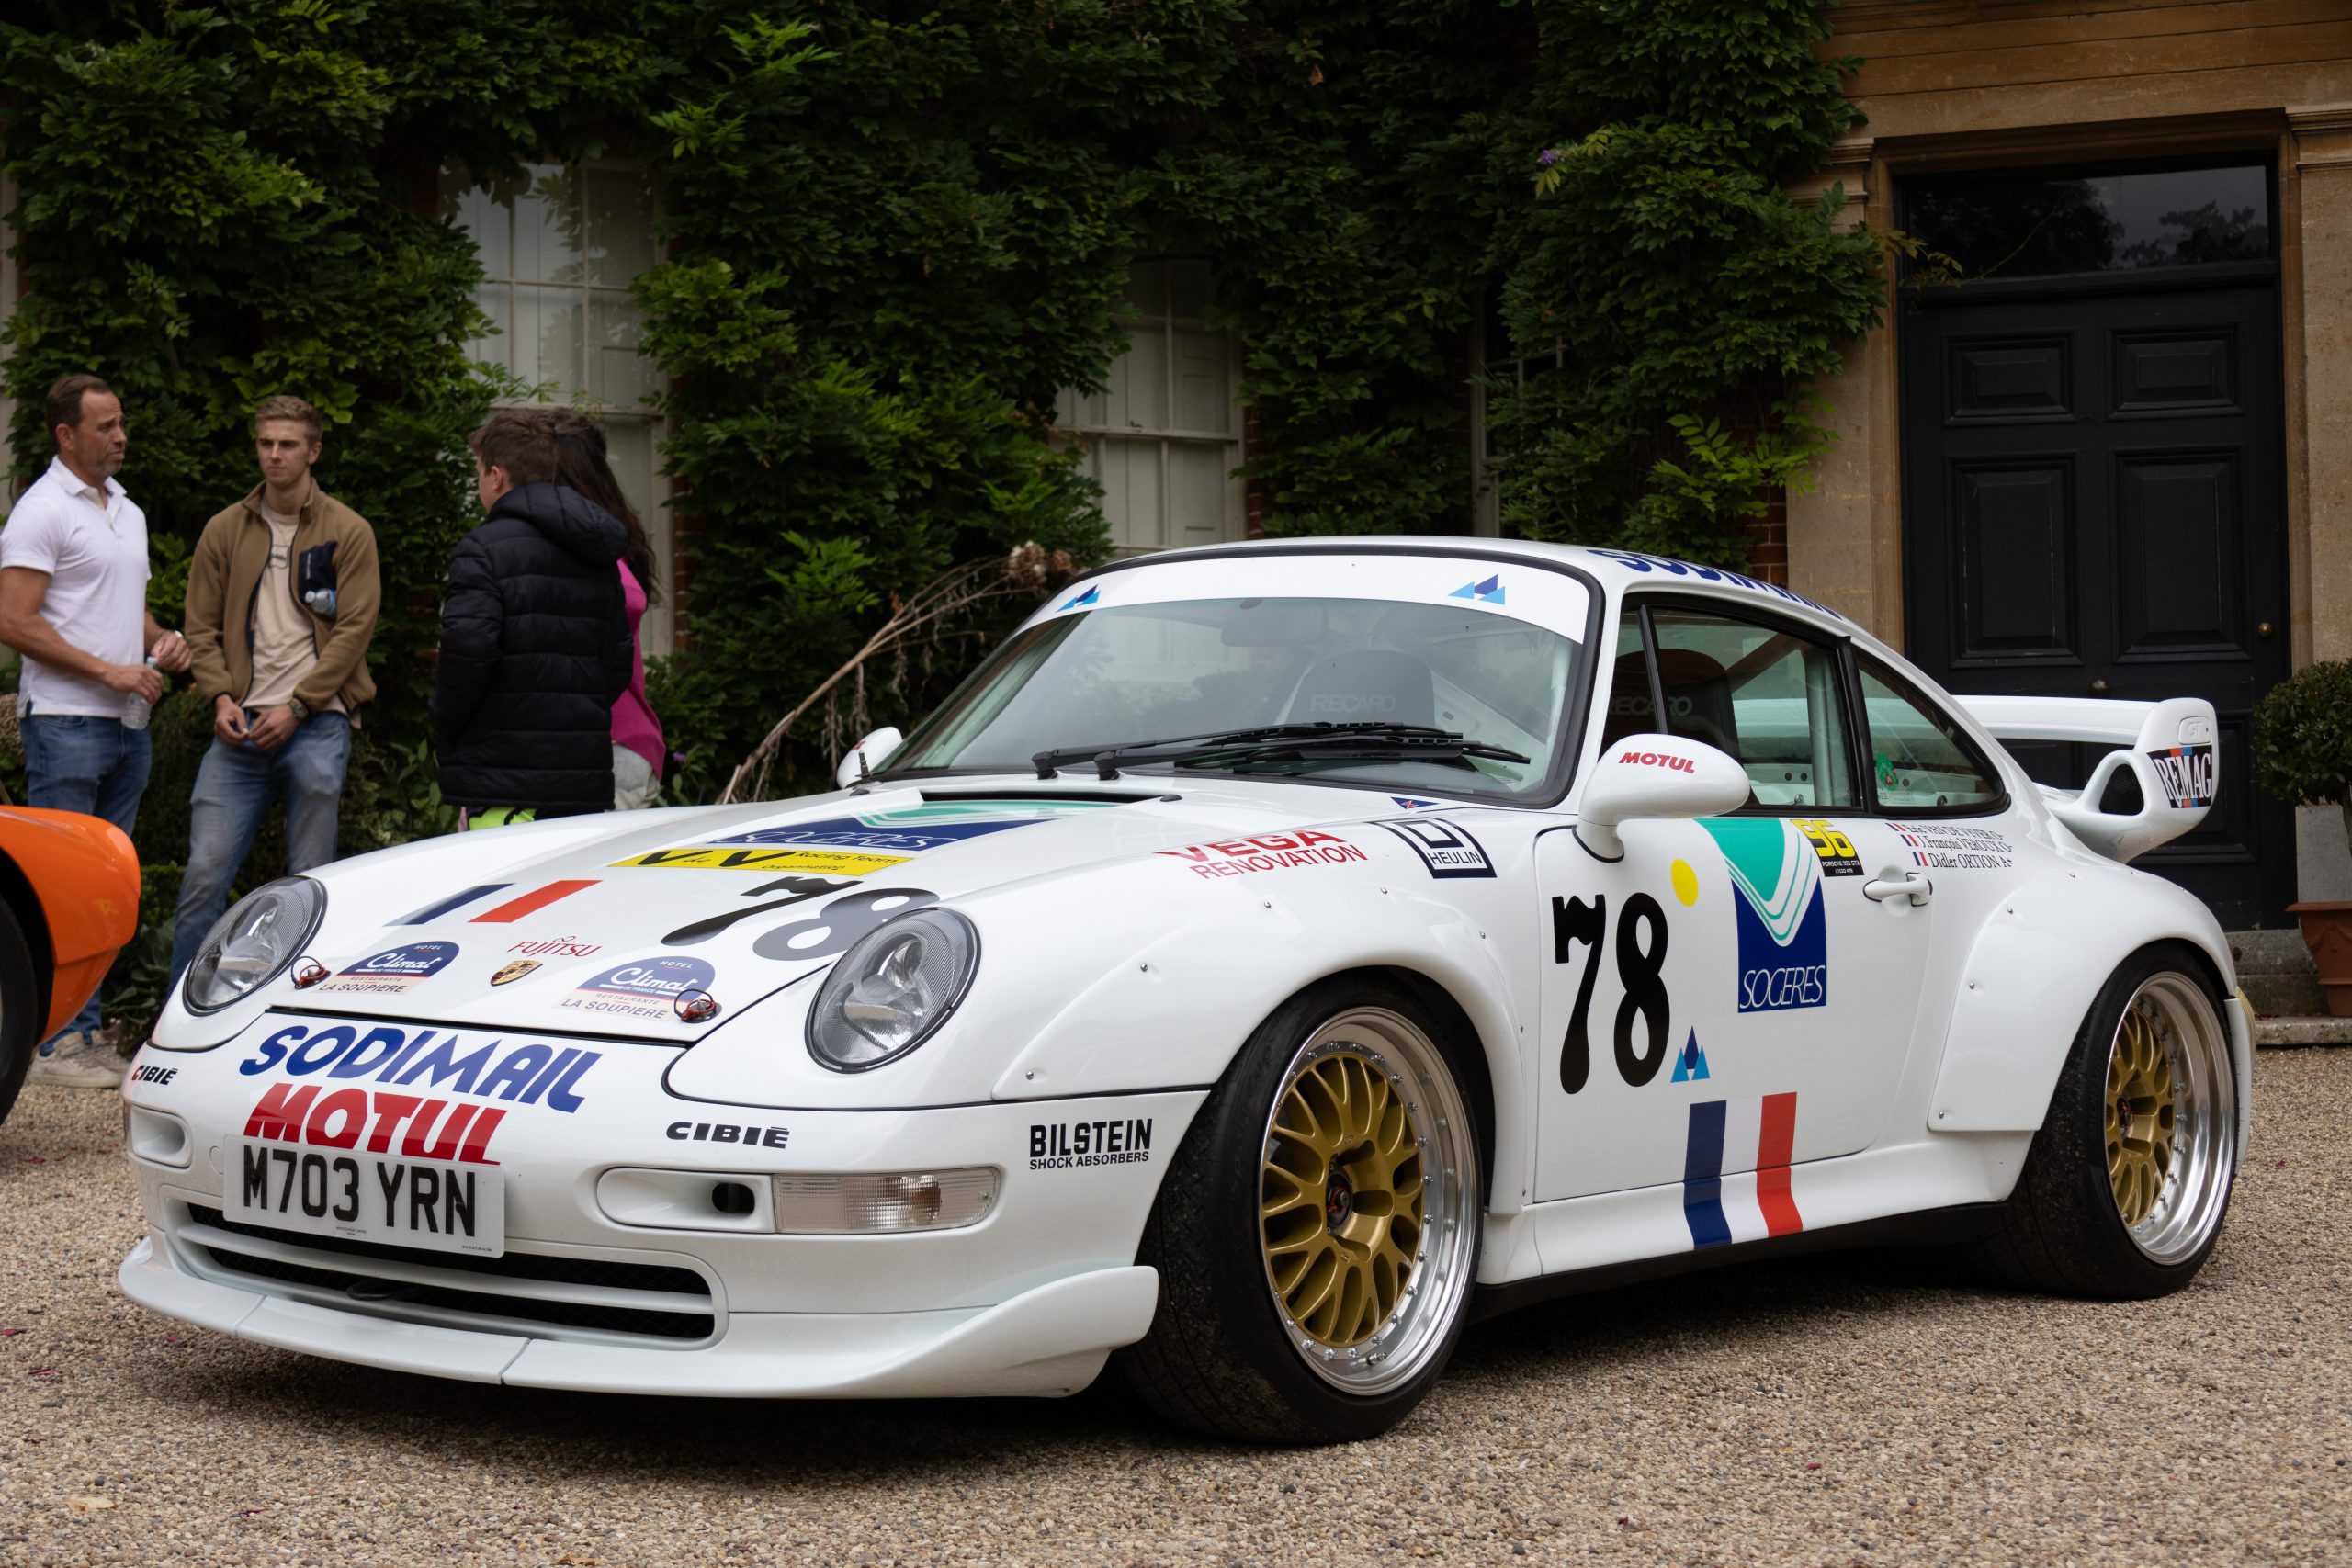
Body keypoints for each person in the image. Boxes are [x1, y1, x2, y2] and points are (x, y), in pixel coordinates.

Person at [0, 374, 193, 1087]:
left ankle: (87, 1030)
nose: (120, 435)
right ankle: (55, 1043)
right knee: (59, 889)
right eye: (106, 425)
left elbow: (123, 607)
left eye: (121, 422)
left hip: (127, 724)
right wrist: (107, 672)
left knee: (108, 886)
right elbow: (12, 620)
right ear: (65, 435)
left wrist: (162, 639)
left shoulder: (127, 510)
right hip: (65, 722)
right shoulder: (41, 511)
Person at [171, 394, 381, 985]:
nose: (274, 455)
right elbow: (201, 627)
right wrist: (218, 697)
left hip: (316, 724)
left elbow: (354, 631)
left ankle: (296, 1013)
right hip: (238, 724)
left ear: (313, 451)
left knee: (311, 882)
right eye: (266, 443)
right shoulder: (225, 529)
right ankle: (174, 1021)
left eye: (288, 444)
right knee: (204, 878)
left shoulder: (349, 531)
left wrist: (299, 705)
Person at [433, 410, 632, 824]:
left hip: (502, 781)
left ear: (496, 476)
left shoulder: (482, 549)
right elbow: (617, 664)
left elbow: (466, 657)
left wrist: (446, 727)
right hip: (583, 782)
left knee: (500, 890)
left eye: (478, 474)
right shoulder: (597, 552)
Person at [548, 410, 667, 809]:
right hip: (618, 742)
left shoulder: (587, 545)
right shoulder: (611, 531)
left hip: (610, 745)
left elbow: (630, 600)